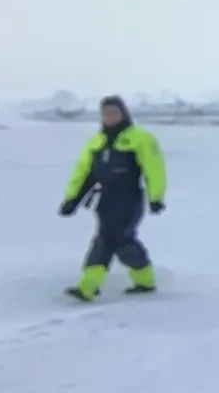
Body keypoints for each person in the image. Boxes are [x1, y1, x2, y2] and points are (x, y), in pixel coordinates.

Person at [59, 95, 165, 301]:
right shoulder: (96, 142)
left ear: (123, 113)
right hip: (105, 200)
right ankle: (144, 280)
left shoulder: (140, 138)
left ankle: (89, 286)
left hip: (129, 199)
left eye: (114, 112)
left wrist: (155, 197)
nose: (109, 117)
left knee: (110, 239)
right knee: (118, 240)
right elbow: (84, 173)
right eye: (105, 113)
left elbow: (154, 169)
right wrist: (72, 200)